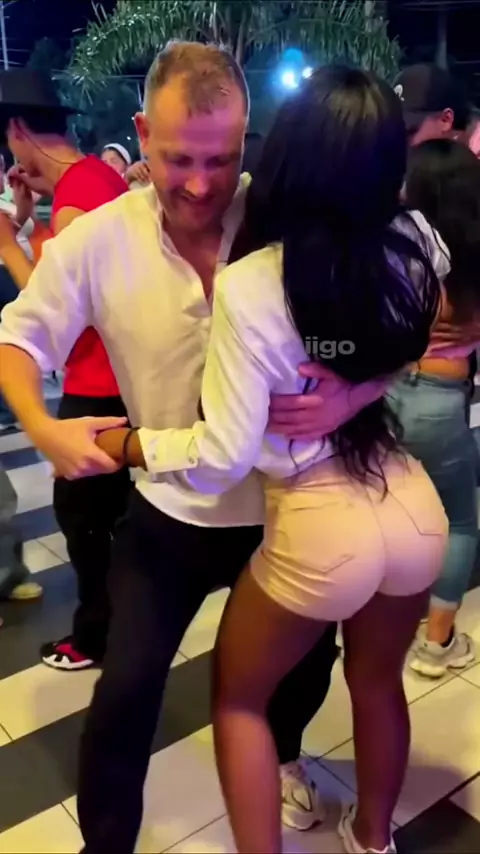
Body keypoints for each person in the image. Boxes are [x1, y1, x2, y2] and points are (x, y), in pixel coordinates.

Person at [0, 44, 392, 853]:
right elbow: (17, 337)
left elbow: (394, 320)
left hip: (288, 506)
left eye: (223, 158)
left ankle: (284, 754)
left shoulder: (286, 220)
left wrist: (352, 393)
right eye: (179, 158)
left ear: (247, 141)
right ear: (143, 134)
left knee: (307, 662)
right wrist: (39, 424)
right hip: (170, 510)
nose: (203, 184)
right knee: (126, 690)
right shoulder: (97, 241)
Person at [92, 64, 448, 854]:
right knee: (378, 682)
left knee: (239, 701)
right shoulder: (418, 242)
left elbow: (222, 456)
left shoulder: (254, 283)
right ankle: (375, 839)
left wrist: (128, 442)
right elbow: (416, 336)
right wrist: (359, 388)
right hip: (410, 502)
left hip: (319, 520)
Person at [0, 68, 131, 670]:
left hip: (97, 383)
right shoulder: (97, 178)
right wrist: (33, 219)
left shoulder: (78, 202)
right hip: (117, 377)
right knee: (106, 515)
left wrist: (8, 243)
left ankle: (97, 636)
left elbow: (52, 313)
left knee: (84, 519)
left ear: (18, 130)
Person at [388, 139, 480, 677]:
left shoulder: (398, 252)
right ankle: (436, 643)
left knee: (384, 511)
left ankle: (370, 627)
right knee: (459, 521)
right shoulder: (473, 260)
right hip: (440, 404)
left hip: (383, 394)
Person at [393, 63, 479, 416]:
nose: (403, 144)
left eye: (411, 131)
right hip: (414, 386)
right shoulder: (404, 184)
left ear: (446, 120)